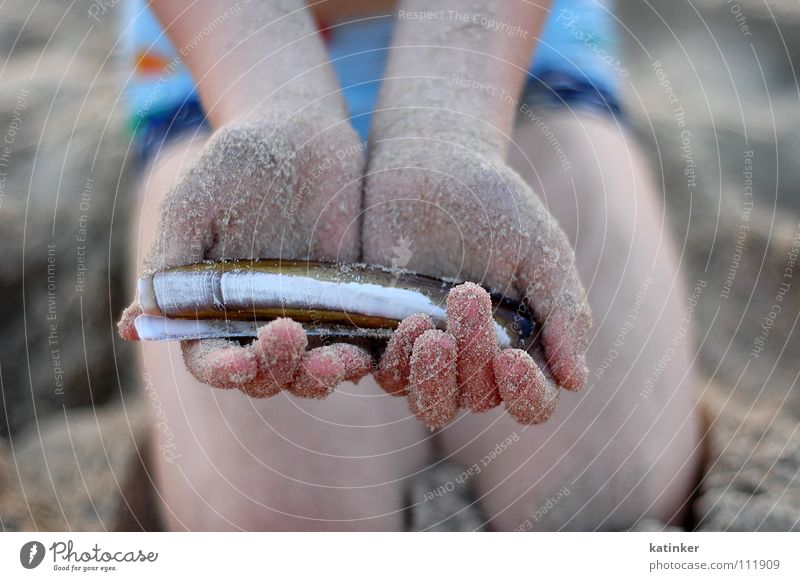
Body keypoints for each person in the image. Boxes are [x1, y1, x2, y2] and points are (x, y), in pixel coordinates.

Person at [118, 0, 702, 531]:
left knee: (605, 507)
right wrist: (272, 104)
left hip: (519, 61)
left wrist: (451, 124)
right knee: (282, 525)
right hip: (222, 68)